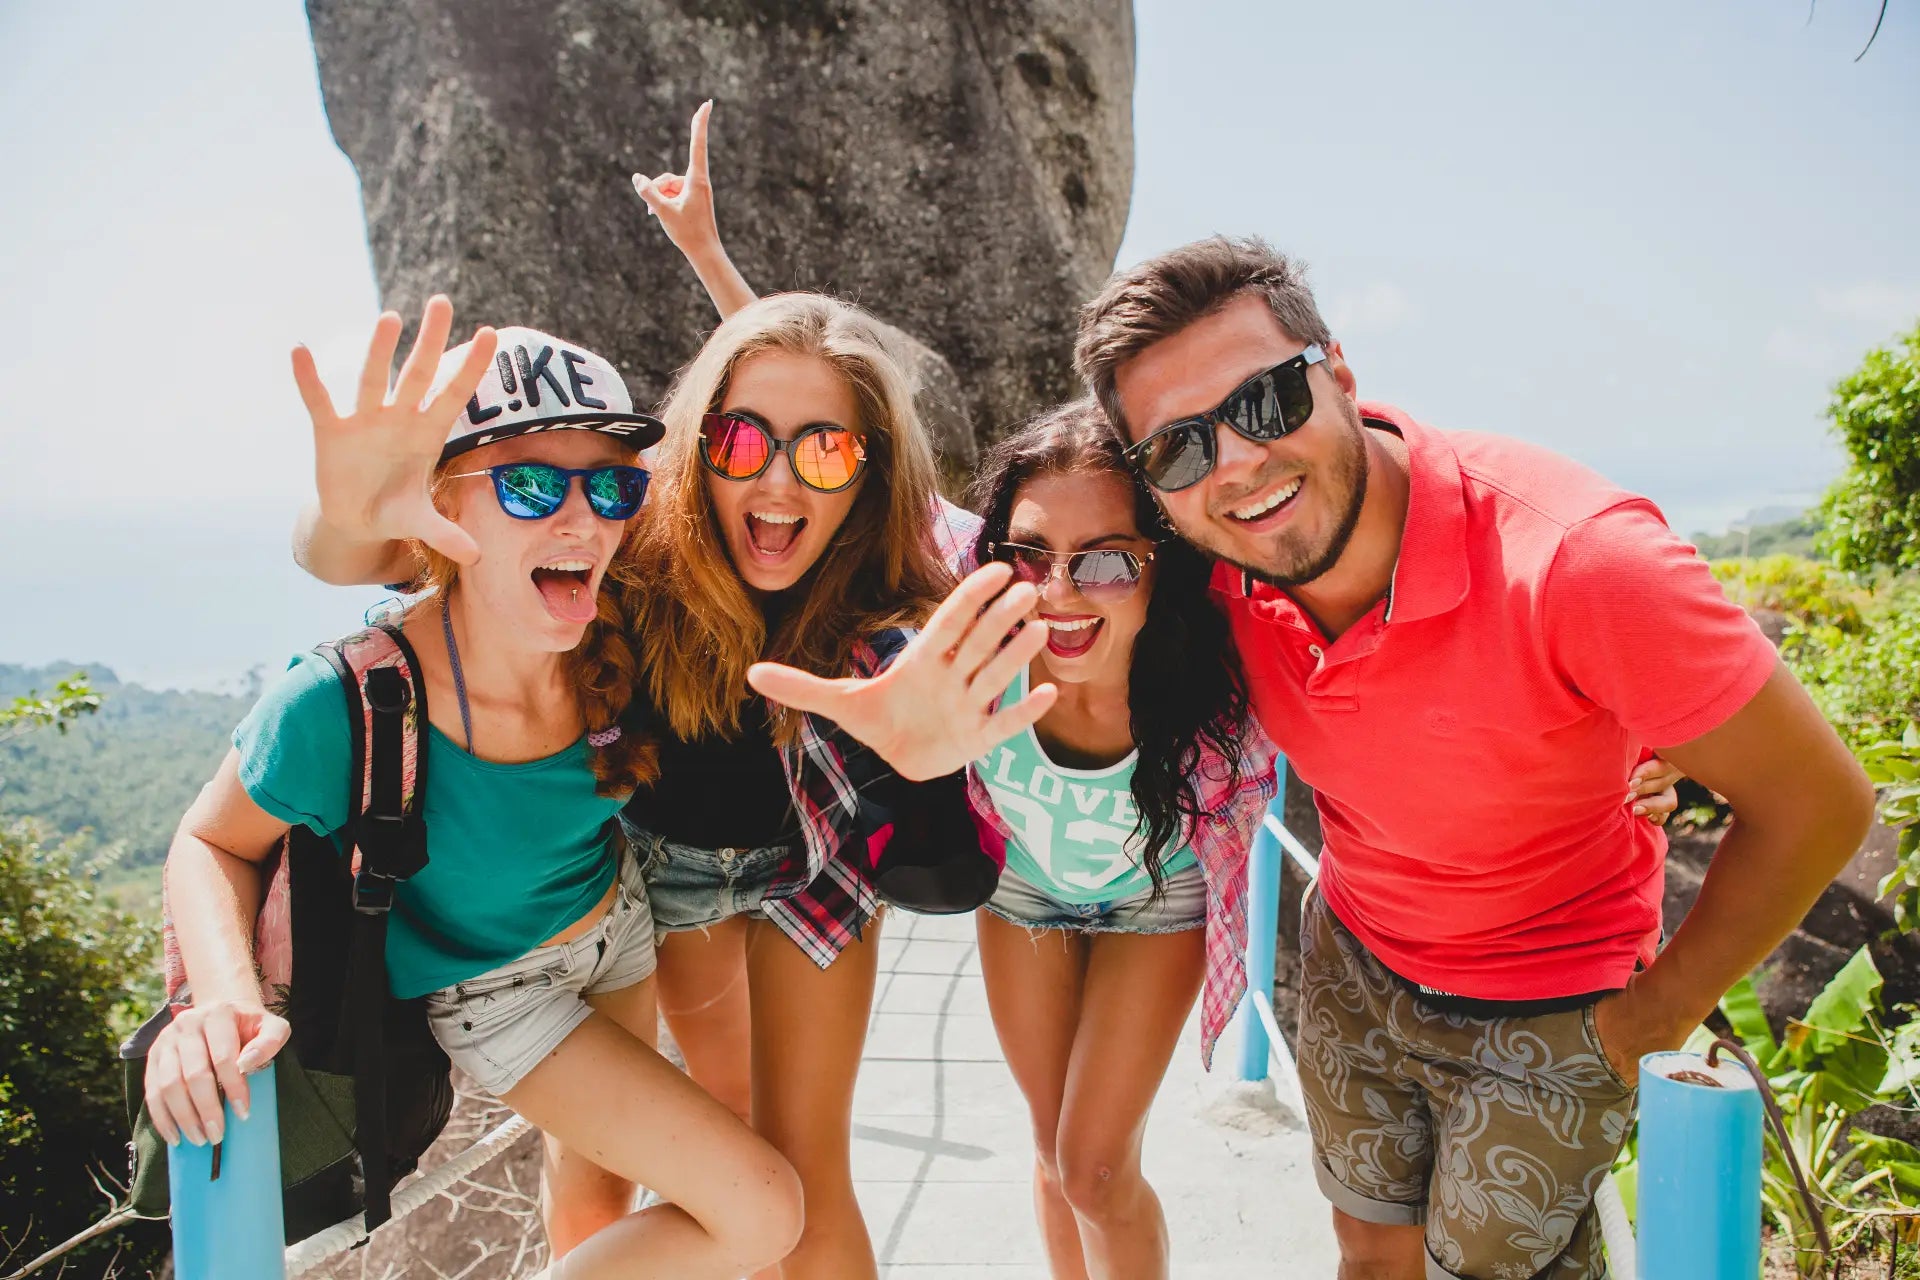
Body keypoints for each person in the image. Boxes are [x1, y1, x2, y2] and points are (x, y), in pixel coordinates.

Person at [637, 108, 1688, 1280]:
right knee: (1049, 1153)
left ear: (1161, 562)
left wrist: (1636, 737)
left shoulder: (1226, 642)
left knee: (1095, 1161)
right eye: (1034, 554)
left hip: (1160, 897)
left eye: (1107, 560)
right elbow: (819, 431)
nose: (1065, 586)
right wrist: (719, 271)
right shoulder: (984, 600)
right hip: (1022, 896)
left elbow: (1406, 636)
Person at [293, 287, 1052, 1276]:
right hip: (664, 878)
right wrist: (337, 513)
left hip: (815, 869)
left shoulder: (889, 601)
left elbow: (945, 878)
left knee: (806, 1171)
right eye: (743, 439)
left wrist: (923, 781)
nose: (778, 481)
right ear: (697, 446)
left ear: (869, 473)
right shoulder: (619, 534)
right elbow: (365, 552)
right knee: (665, 1147)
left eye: (824, 450)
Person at [145, 302, 804, 1280]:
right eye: (533, 484)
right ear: (442, 508)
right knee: (763, 1211)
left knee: (599, 1197)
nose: (584, 517)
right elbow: (211, 840)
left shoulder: (618, 617)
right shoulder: (349, 700)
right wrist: (223, 1003)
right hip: (496, 990)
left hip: (616, 921)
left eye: (613, 485)